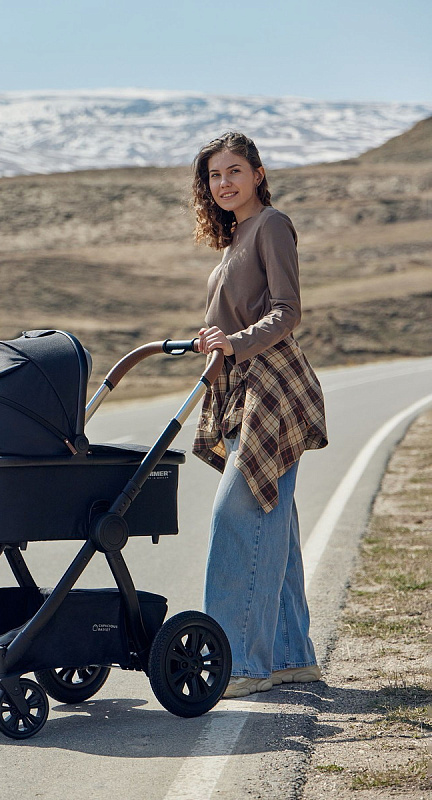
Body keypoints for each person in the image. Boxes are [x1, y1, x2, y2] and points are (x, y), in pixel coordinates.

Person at [191, 132, 328, 699]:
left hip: (272, 387)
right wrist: (211, 339)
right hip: (241, 387)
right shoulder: (233, 238)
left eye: (233, 171)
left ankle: (240, 662)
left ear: (257, 174)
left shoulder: (270, 224)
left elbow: (287, 311)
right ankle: (293, 657)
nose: (223, 183)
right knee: (274, 523)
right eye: (214, 176)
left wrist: (236, 342)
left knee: (237, 514)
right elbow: (235, 316)